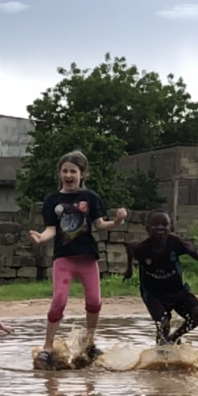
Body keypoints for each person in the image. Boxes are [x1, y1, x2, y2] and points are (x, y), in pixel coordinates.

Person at [28, 150, 127, 367]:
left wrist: (117, 221)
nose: (68, 175)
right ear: (60, 173)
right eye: (65, 171)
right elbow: (51, 229)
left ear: (83, 174)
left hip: (87, 259)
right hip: (64, 258)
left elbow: (100, 224)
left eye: (73, 171)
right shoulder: (52, 200)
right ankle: (47, 347)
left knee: (94, 302)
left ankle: (89, 343)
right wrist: (40, 238)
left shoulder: (90, 197)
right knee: (58, 301)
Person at [123, 210, 198, 345]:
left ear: (170, 227)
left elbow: (192, 251)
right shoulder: (141, 248)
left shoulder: (176, 243)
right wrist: (129, 270)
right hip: (153, 294)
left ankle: (174, 338)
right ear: (147, 228)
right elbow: (130, 248)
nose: (160, 227)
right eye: (155, 224)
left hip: (177, 291)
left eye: (164, 224)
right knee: (163, 323)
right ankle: (161, 351)